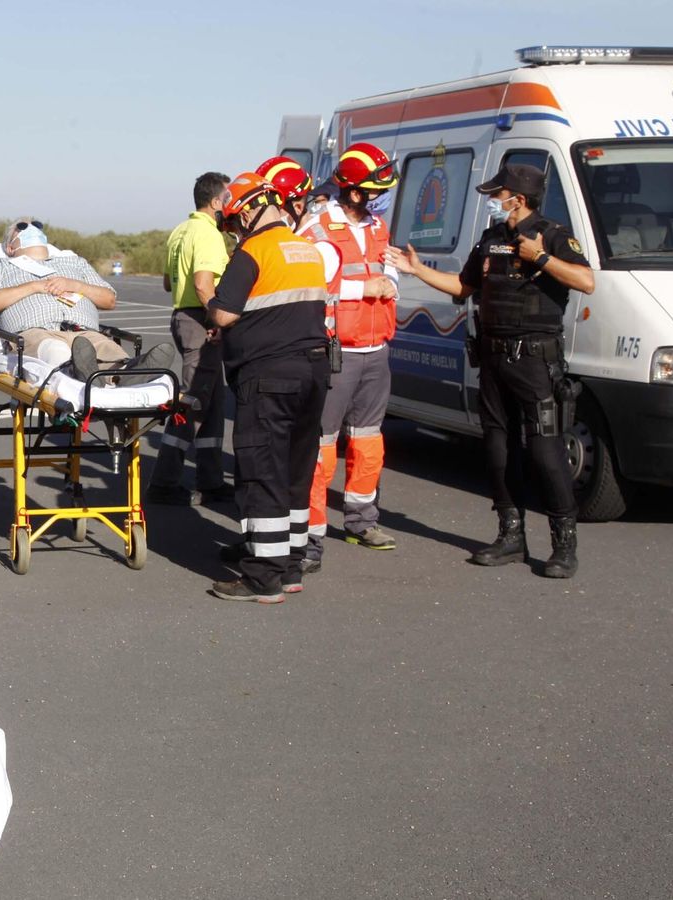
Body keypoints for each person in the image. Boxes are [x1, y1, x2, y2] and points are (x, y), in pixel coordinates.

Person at [386, 163, 595, 578]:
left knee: (545, 453)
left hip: (535, 361)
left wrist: (541, 257)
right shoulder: (491, 239)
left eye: (497, 194)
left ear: (517, 198)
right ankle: (510, 536)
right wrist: (417, 271)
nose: (492, 201)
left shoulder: (551, 234)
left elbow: (585, 281)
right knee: (498, 451)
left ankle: (563, 545)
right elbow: (464, 287)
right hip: (493, 358)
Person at [205, 174, 332, 604]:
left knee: (263, 471)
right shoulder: (307, 249)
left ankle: (263, 576)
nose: (235, 232)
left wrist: (209, 299)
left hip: (269, 376)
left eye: (234, 224)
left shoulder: (252, 251)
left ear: (245, 211)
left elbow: (223, 315)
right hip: (313, 372)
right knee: (297, 470)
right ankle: (291, 564)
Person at [298, 142, 403, 570]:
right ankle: (309, 535)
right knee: (321, 447)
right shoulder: (317, 228)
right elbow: (307, 287)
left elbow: (385, 265)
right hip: (336, 351)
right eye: (376, 189)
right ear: (356, 192)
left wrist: (392, 278)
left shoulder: (378, 225)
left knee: (368, 440)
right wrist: (365, 289)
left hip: (377, 350)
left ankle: (361, 520)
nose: (382, 196)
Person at [0, 219, 176, 384]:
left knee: (110, 352)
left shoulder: (74, 263)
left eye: (36, 226)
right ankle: (80, 374)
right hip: (36, 332)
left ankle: (128, 374)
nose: (33, 229)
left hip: (84, 333)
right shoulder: (1, 266)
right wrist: (35, 287)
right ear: (10, 247)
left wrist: (75, 285)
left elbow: (109, 299)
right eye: (23, 226)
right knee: (57, 350)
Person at [149, 172, 234, 506]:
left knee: (211, 405)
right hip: (200, 319)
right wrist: (215, 317)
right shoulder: (208, 233)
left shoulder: (181, 230)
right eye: (228, 198)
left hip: (183, 316)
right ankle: (164, 482)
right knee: (192, 403)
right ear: (216, 202)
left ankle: (210, 481)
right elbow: (202, 284)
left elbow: (169, 284)